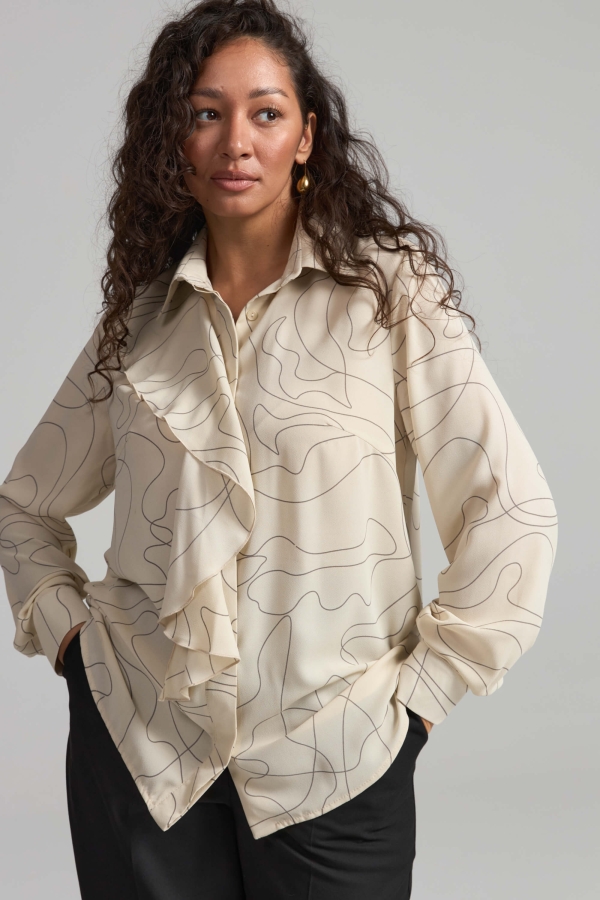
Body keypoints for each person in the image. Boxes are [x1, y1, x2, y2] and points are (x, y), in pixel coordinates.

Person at [0, 1, 558, 897]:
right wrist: (72, 643)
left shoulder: (389, 296)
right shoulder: (142, 321)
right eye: (205, 113)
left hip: (334, 759)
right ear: (174, 142)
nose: (236, 141)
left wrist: (424, 698)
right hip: (144, 754)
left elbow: (511, 509)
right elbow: (23, 502)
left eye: (265, 113)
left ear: (307, 137)